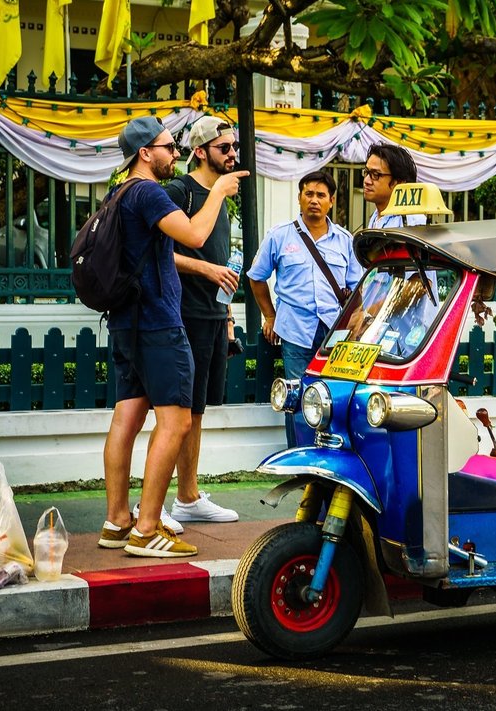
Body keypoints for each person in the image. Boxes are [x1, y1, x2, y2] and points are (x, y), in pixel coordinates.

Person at [96, 116, 247, 558]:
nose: (176, 154)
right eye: (168, 147)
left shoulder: (117, 192)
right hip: (158, 321)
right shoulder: (145, 192)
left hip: (127, 320)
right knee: (178, 420)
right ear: (145, 153)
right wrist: (218, 192)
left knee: (127, 417)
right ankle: (146, 527)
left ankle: (117, 520)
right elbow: (196, 235)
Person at [151, 116, 242, 531]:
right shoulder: (178, 191)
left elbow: (220, 258)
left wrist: (227, 315)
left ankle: (187, 496)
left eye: (234, 147)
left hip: (211, 313)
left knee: (198, 410)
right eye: (225, 148)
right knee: (177, 411)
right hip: (179, 313)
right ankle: (156, 505)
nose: (233, 154)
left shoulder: (221, 196)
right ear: (201, 151)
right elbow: (156, 253)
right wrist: (205, 272)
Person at [248, 171, 363, 379]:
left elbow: (357, 289)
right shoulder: (279, 235)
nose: (314, 200)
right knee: (299, 397)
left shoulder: (345, 240)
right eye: (309, 194)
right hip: (295, 330)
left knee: (333, 397)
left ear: (331, 201)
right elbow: (256, 277)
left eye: (321, 195)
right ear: (299, 198)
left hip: (334, 331)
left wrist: (354, 325)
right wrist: (270, 316)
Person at [363, 143, 427, 229]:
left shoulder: (411, 221)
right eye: (367, 172)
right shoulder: (377, 216)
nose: (366, 181)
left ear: (399, 182)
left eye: (375, 174)